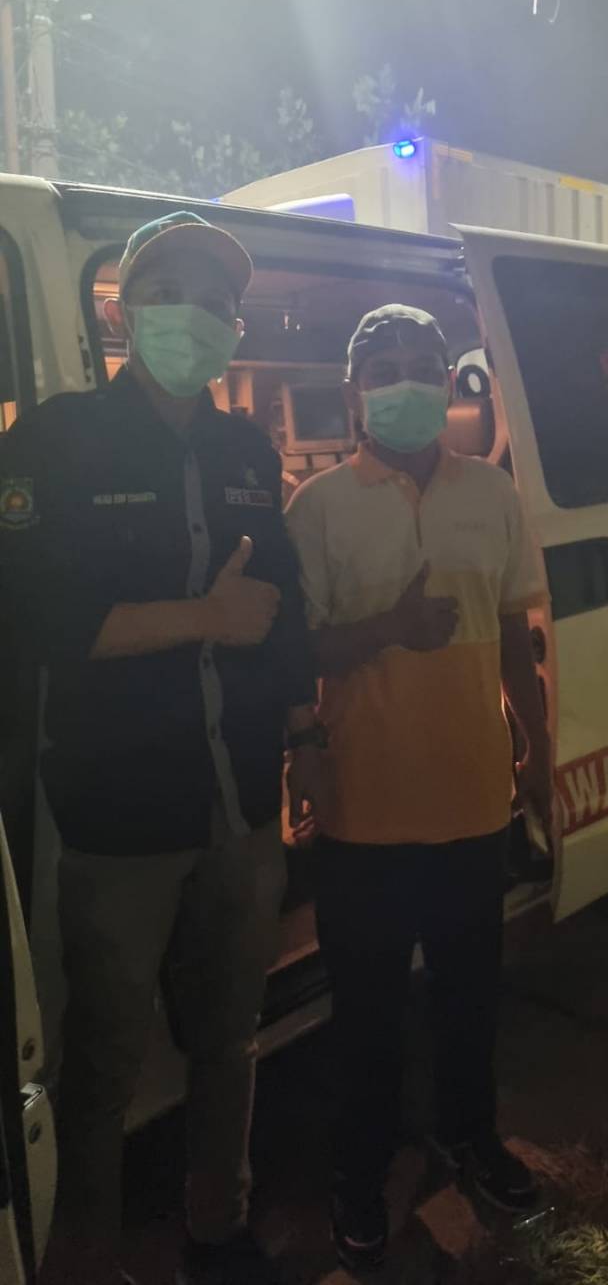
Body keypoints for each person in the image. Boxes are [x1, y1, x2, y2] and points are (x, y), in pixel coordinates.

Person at [0, 212, 327, 1285]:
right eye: (172, 293)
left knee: (230, 1035)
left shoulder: (245, 451)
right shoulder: (54, 443)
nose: (198, 316)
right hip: (120, 820)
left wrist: (302, 739)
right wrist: (201, 618)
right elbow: (38, 620)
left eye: (218, 302)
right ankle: (83, 1262)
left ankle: (216, 1228)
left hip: (240, 805)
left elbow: (280, 611)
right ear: (125, 312)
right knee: (100, 1062)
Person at [286, 304, 553, 1272]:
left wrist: (537, 755)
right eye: (382, 367)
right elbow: (294, 654)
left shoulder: (492, 493)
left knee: (469, 1000)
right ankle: (359, 1176)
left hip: (472, 802)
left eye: (419, 365)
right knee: (365, 1019)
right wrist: (384, 634)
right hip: (363, 812)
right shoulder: (315, 508)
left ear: (448, 382)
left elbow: (513, 637)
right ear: (354, 390)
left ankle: (470, 1137)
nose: (402, 381)